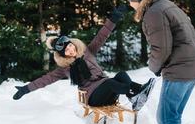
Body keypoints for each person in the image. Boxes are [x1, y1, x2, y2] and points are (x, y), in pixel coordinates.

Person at [13, 6, 152, 109]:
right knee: (110, 82)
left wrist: (113, 18)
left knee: (121, 75)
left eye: (70, 46)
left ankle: (137, 94)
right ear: (63, 55)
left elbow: (102, 35)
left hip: (107, 91)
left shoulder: (87, 51)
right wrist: (26, 89)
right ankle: (137, 94)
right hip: (93, 97)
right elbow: (45, 80)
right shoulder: (64, 67)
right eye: (67, 50)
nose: (70, 50)